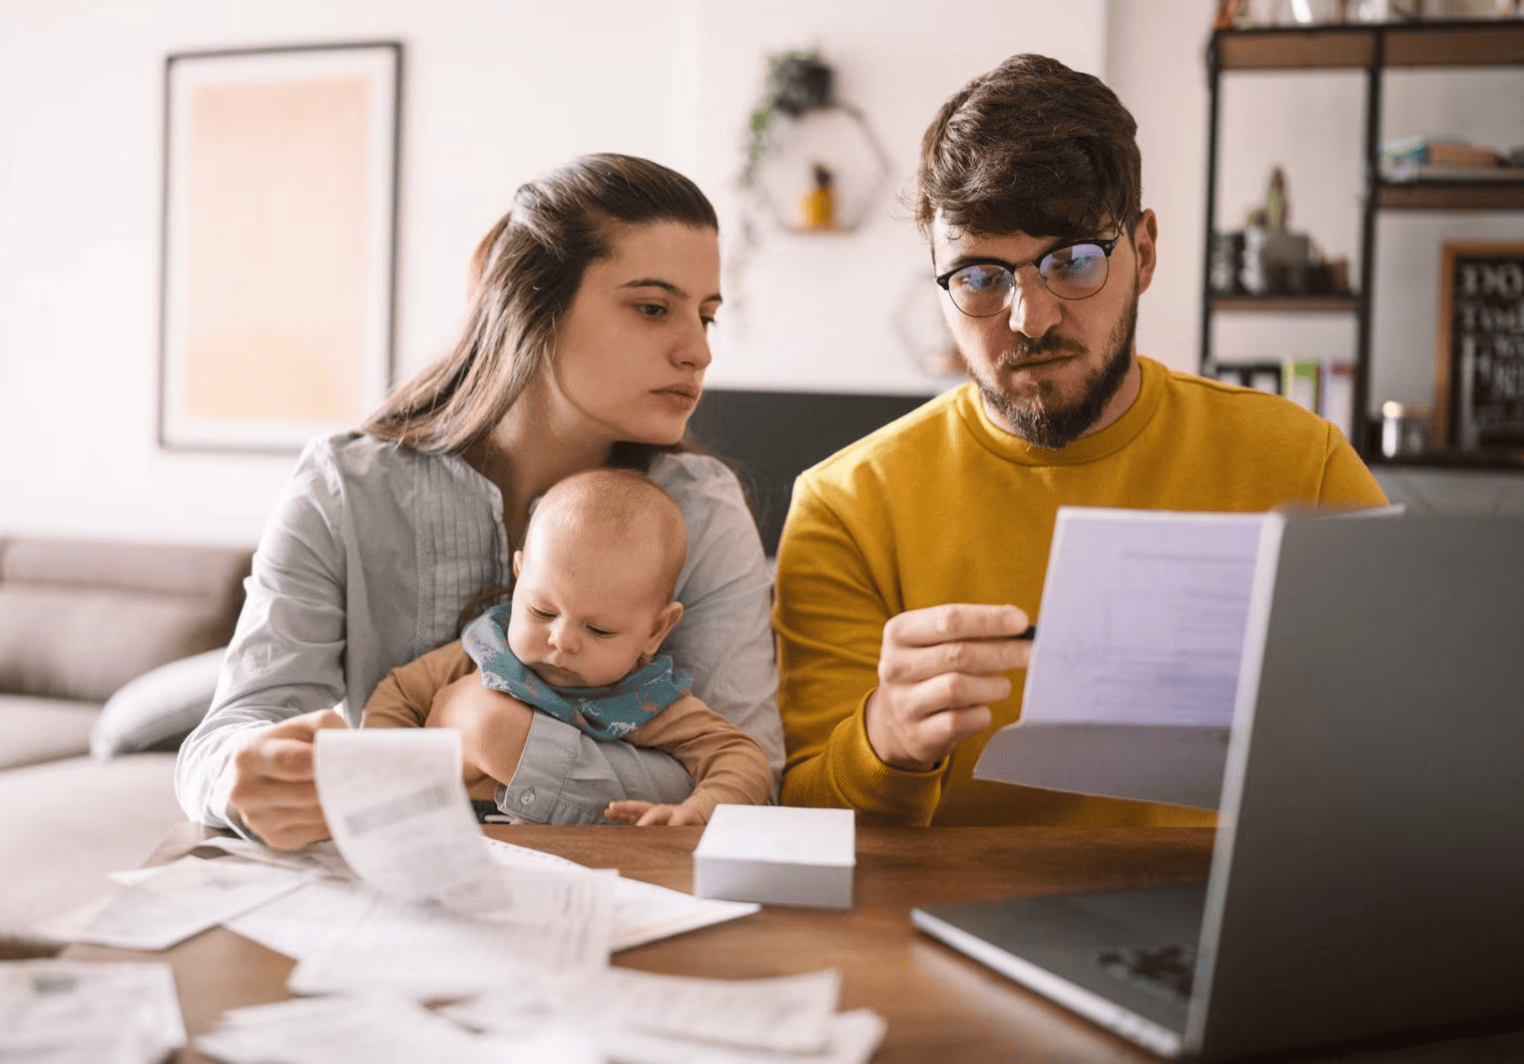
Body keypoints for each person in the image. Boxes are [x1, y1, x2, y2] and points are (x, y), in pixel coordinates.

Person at [773, 54, 1387, 828]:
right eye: (979, 276)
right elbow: (803, 826)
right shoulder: (844, 506)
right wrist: (885, 740)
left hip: (1224, 921)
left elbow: (1408, 750)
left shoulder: (1304, 464)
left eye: (1072, 261)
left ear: (1147, 253)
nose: (1030, 319)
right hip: (943, 932)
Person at [175, 154, 783, 849]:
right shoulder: (344, 488)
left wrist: (496, 737)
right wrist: (241, 777)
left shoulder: (699, 509)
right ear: (532, 307)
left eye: (706, 316)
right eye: (652, 308)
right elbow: (223, 739)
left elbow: (751, 776)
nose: (698, 351)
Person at [361, 468, 773, 826]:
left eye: (599, 630)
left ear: (656, 630)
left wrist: (699, 810)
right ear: (519, 577)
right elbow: (397, 694)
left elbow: (742, 758)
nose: (561, 640)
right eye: (542, 611)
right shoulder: (484, 651)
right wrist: (385, 782)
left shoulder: (644, 699)